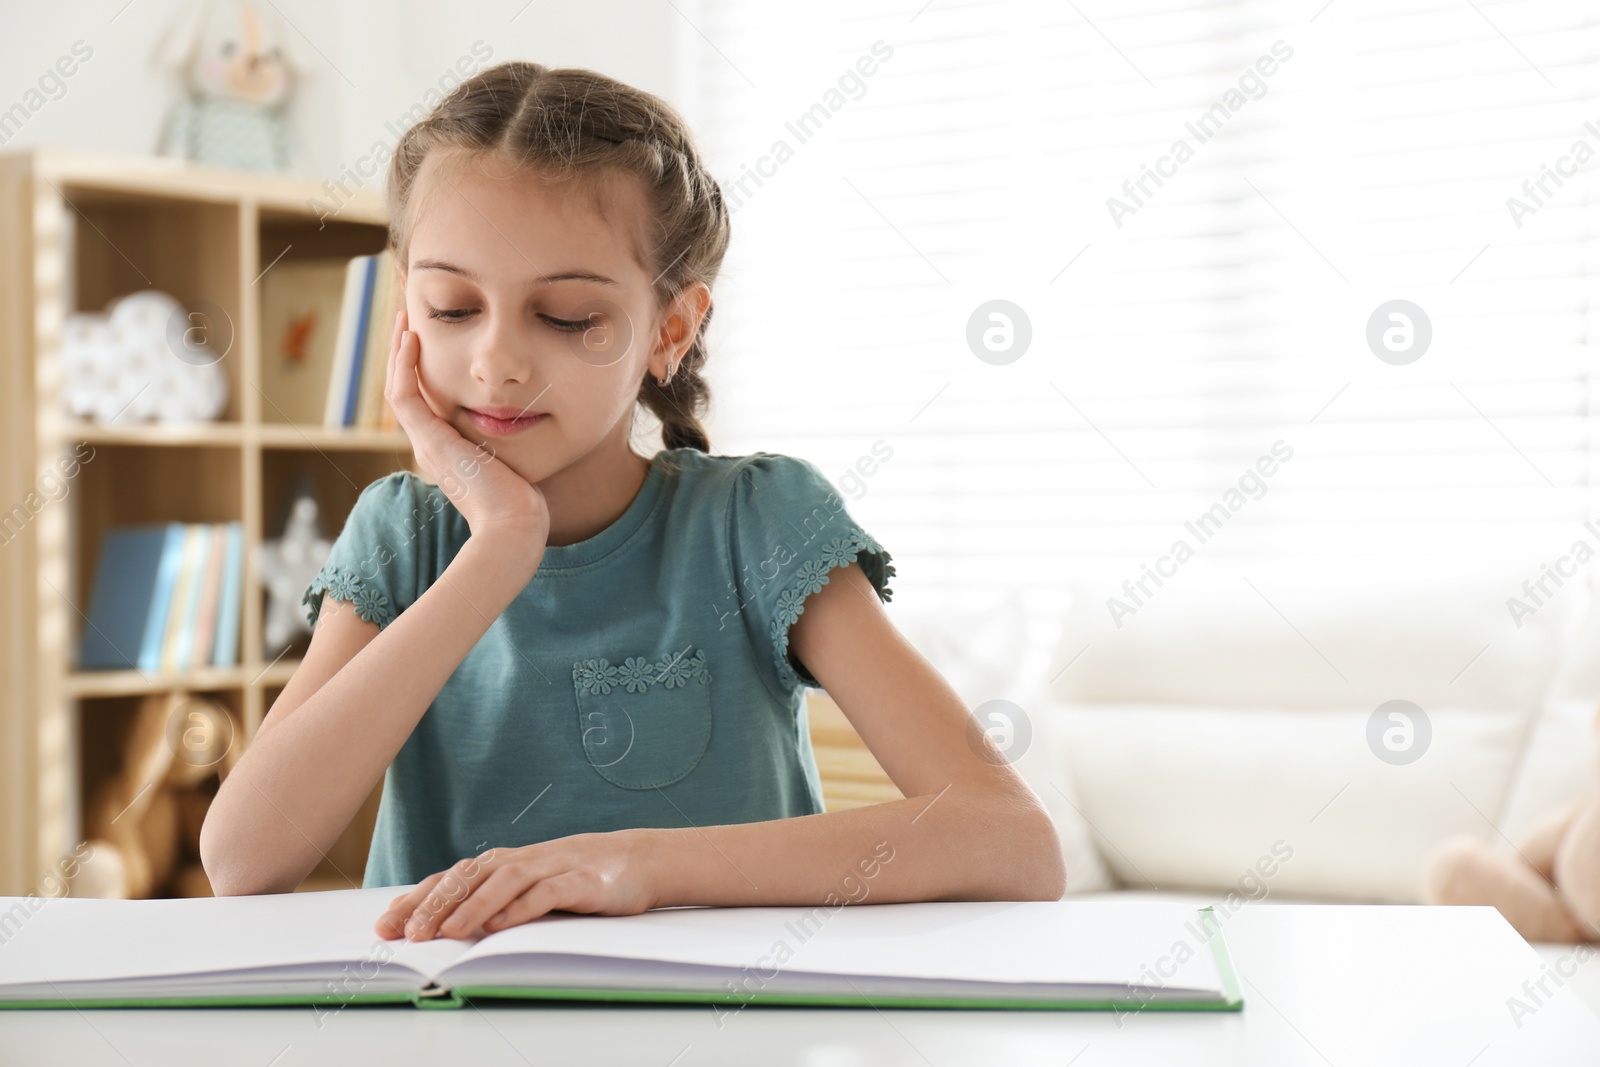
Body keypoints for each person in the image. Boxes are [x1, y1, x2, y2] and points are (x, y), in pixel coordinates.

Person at [200, 60, 1065, 940]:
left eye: (569, 317)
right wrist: (500, 544)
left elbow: (1011, 840)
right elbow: (242, 860)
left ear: (670, 330)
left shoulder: (757, 525)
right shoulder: (403, 537)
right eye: (453, 306)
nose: (497, 361)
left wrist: (639, 865)